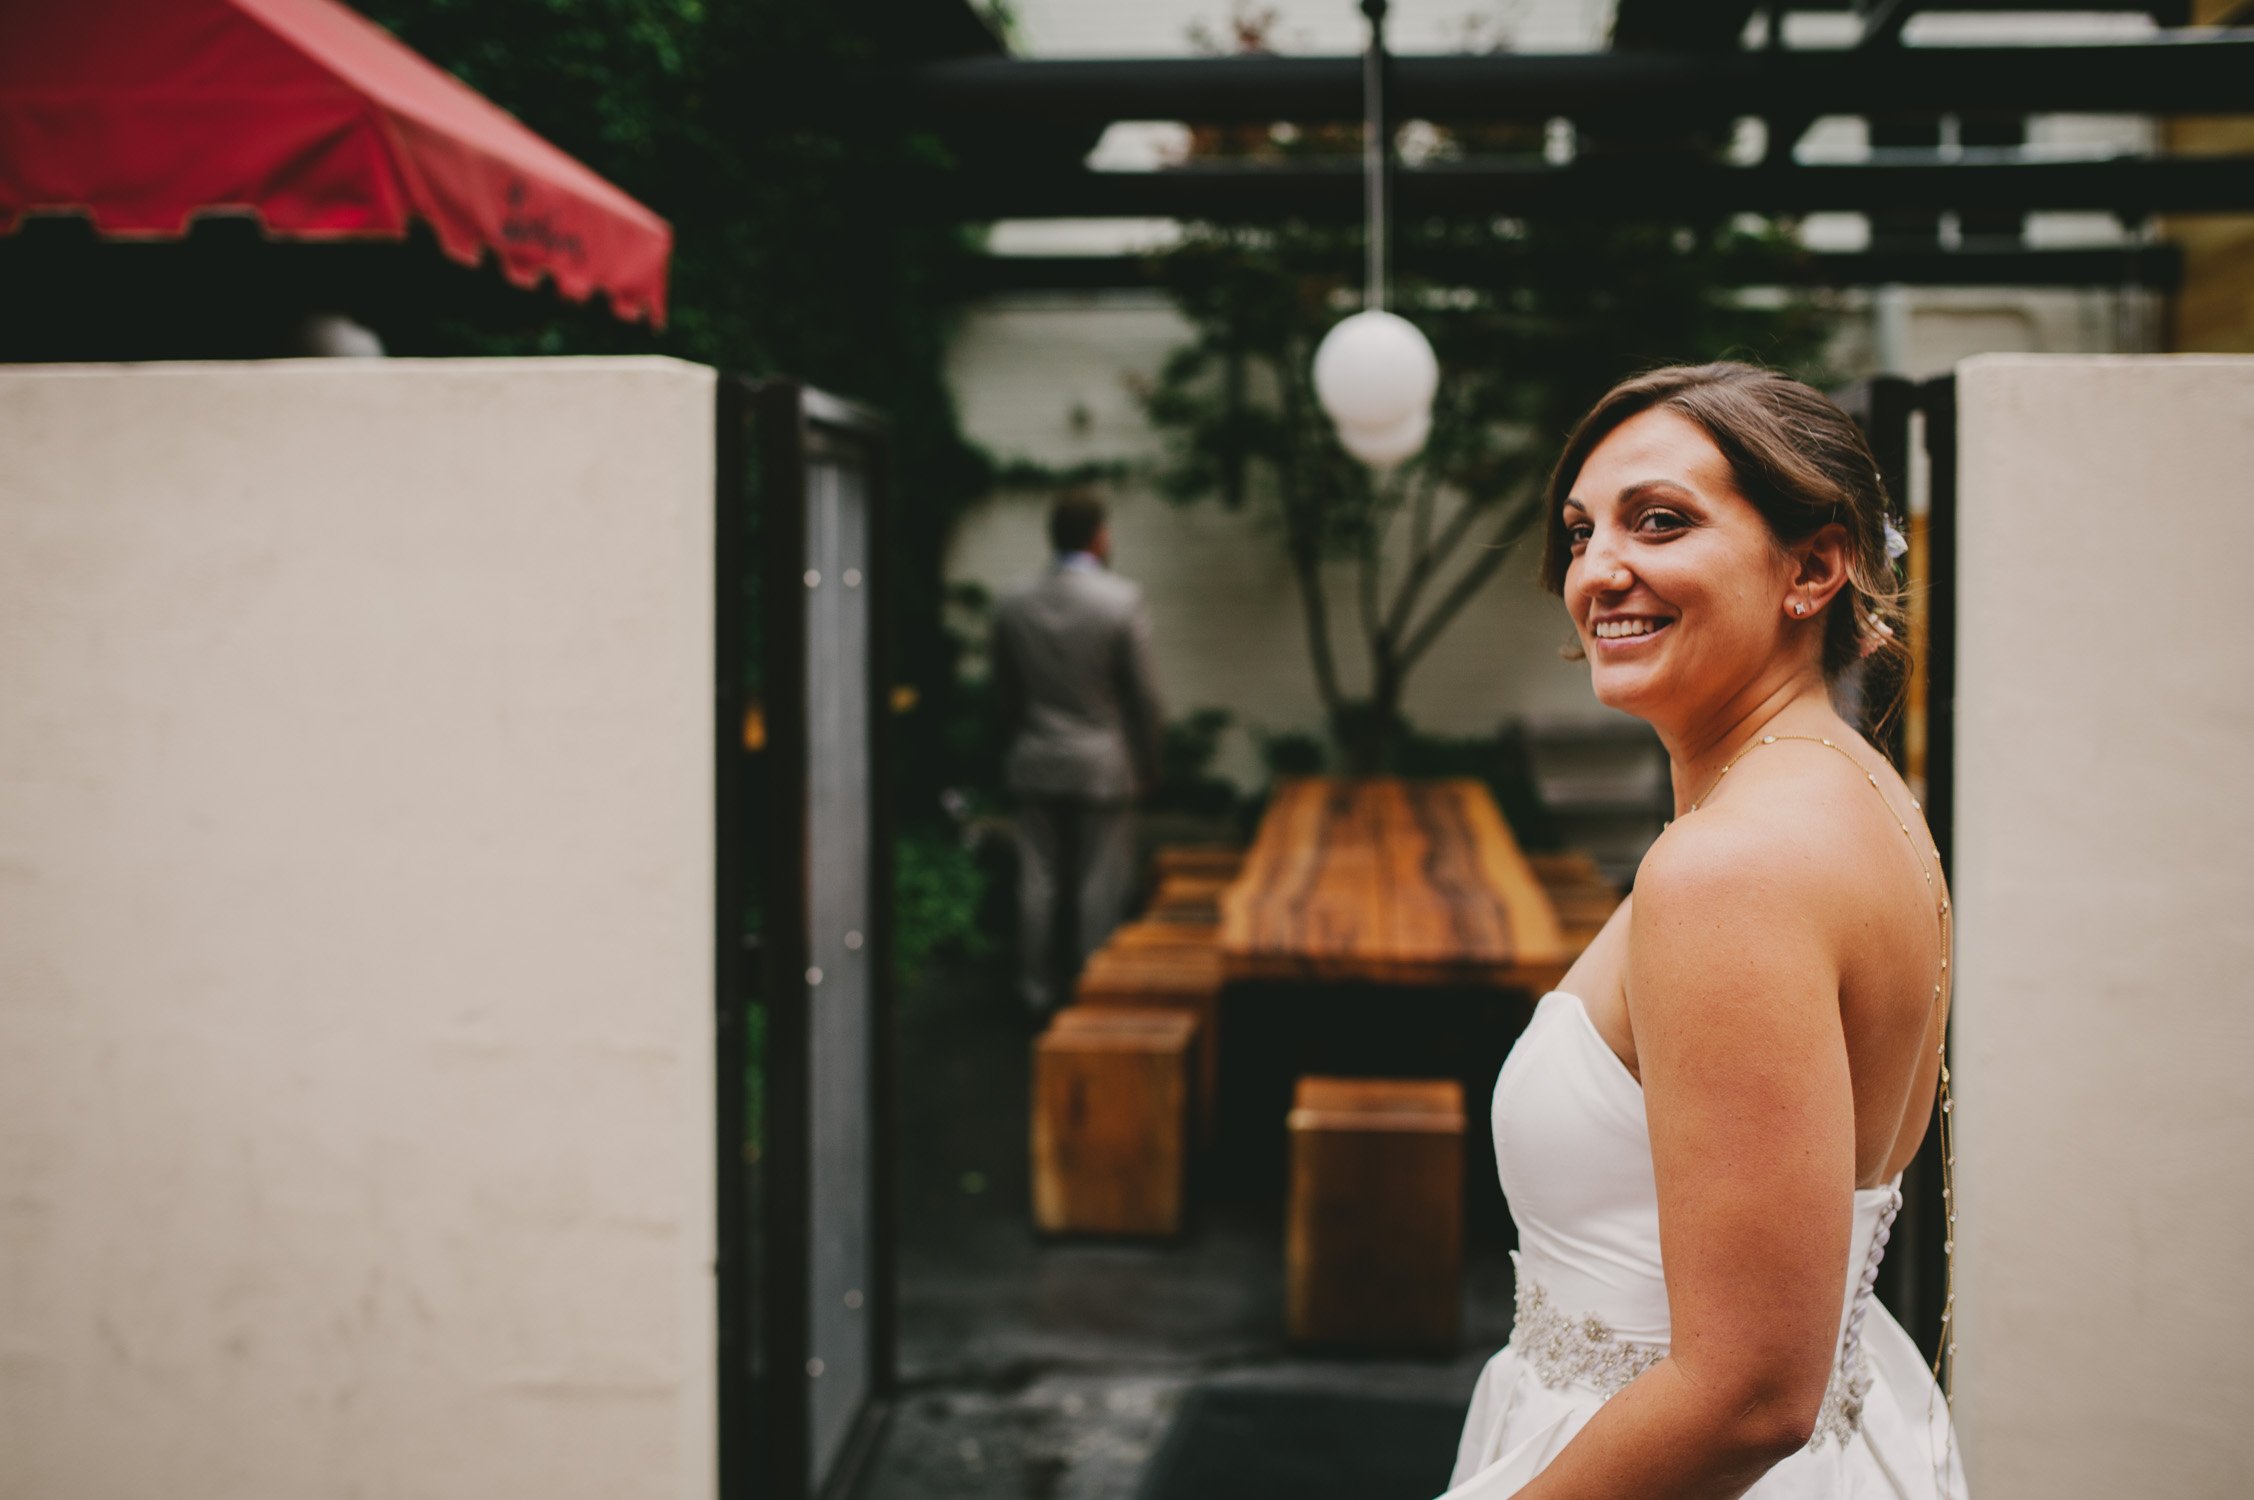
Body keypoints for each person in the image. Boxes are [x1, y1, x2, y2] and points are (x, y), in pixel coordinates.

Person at [1442, 363, 1966, 1499]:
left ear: (1815, 567)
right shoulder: (1852, 795)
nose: (1598, 571)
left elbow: (1746, 1395)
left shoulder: (1733, 866)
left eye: (1660, 521)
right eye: (1581, 532)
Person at [992, 489, 1165, 1021]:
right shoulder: (1121, 601)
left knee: (1037, 878)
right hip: (1102, 764)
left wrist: (1005, 751)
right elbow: (1145, 697)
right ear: (1098, 535)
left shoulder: (1013, 602)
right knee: (1099, 881)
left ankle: (1033, 989)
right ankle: (1093, 988)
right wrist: (1151, 763)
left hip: (1036, 758)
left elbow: (1003, 693)